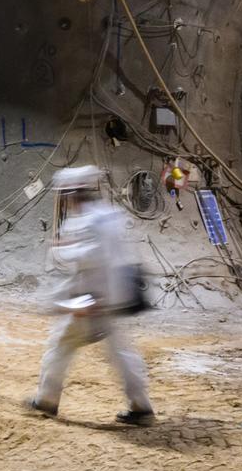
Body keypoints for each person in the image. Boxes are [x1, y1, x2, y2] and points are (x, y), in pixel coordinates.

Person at [25, 165, 155, 426]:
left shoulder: (86, 221)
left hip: (95, 298)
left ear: (73, 194)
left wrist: (64, 250)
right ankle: (142, 407)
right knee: (121, 353)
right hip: (115, 297)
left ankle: (46, 401)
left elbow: (93, 258)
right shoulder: (109, 214)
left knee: (60, 344)